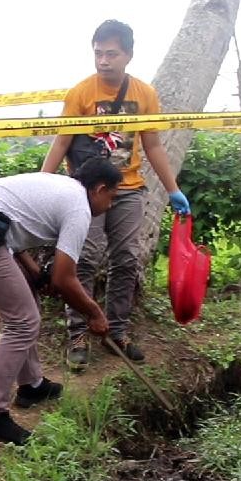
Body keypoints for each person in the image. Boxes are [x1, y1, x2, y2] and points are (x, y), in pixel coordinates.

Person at [40, 20, 191, 371]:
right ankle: (78, 333)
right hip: (86, 193)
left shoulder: (144, 95)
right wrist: (43, 182)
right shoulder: (80, 93)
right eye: (98, 53)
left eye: (111, 54)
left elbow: (152, 144)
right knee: (86, 259)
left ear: (128, 55)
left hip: (129, 189)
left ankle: (117, 330)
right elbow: (62, 141)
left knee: (127, 259)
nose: (103, 60)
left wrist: (173, 189)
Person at [0, 158, 121, 445]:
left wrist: (36, 274)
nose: (111, 205)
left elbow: (15, 234)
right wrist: (94, 313)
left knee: (27, 308)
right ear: (100, 189)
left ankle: (32, 385)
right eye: (112, 196)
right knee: (22, 321)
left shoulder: (65, 190)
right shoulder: (78, 207)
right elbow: (66, 278)